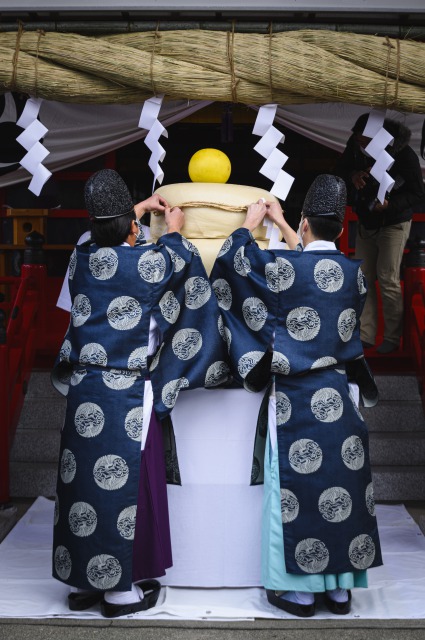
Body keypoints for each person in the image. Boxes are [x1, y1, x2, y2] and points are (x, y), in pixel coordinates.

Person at [51, 169, 230, 618]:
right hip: (127, 391)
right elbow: (179, 256)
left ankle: (83, 583)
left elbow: (99, 237)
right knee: (121, 488)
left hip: (84, 389)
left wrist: (133, 214)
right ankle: (120, 591)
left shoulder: (82, 258)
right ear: (131, 227)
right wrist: (170, 227)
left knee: (82, 486)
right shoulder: (146, 263)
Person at [210, 174, 382, 617]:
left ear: (305, 225)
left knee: (298, 492)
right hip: (340, 397)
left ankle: (301, 593)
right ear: (341, 229)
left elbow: (233, 268)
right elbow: (316, 270)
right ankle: (341, 591)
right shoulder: (354, 274)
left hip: (295, 400)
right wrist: (288, 224)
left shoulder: (281, 268)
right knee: (339, 490)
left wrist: (249, 226)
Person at [335, 113, 425, 354]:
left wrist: (391, 205)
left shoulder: (404, 155)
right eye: (358, 140)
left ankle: (393, 338)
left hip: (394, 222)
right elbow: (339, 171)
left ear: (381, 139)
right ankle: (366, 334)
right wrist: (353, 176)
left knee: (387, 277)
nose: (361, 145)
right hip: (367, 221)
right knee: (363, 277)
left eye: (366, 141)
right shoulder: (355, 148)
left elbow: (418, 193)